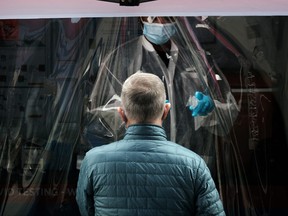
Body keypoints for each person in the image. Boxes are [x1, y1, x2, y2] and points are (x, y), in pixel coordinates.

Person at [84, 16, 239, 173]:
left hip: (189, 164)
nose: (159, 23)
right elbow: (99, 116)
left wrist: (210, 109)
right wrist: (135, 111)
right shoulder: (120, 58)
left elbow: (229, 111)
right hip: (138, 164)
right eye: (153, 17)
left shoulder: (197, 58)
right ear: (141, 17)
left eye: (166, 17)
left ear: (176, 18)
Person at [76, 72, 226, 215]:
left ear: (121, 114)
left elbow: (86, 209)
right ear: (166, 110)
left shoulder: (92, 161)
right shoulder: (194, 165)